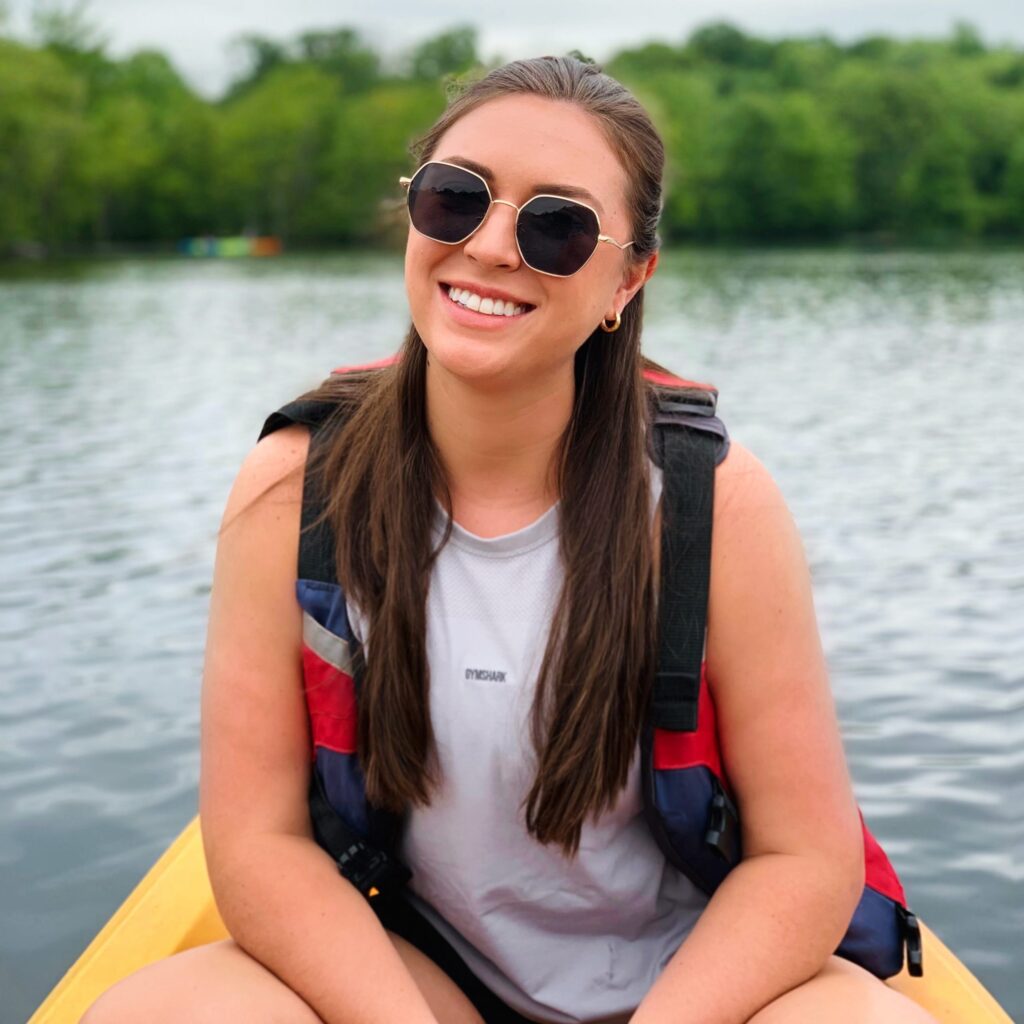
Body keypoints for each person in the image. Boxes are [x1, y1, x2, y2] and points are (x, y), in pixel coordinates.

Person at [81, 56, 937, 1024]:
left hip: (694, 989)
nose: (489, 247)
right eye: (456, 199)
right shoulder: (295, 481)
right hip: (435, 983)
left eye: (556, 225)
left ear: (628, 277)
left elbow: (804, 858)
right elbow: (259, 843)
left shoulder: (712, 502)